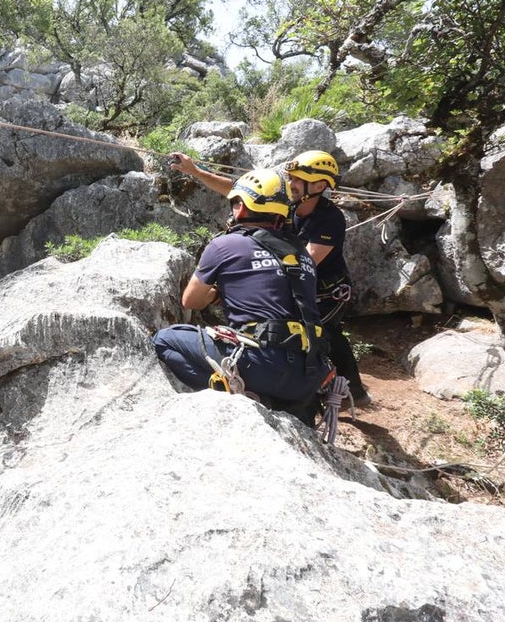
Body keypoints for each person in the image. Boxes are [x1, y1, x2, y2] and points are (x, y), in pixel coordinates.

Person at [169, 150, 371, 406]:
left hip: (325, 290)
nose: (291, 183)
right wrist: (196, 172)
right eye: (291, 178)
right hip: (294, 282)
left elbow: (302, 263)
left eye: (298, 179)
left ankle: (352, 388)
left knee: (323, 333)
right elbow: (242, 191)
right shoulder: (289, 201)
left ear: (319, 185)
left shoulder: (330, 219)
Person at [152, 168, 331, 424]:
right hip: (309, 372)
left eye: (235, 202)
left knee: (164, 340)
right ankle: (273, 402)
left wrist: (216, 293)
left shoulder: (225, 245)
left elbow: (190, 301)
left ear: (242, 207)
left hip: (260, 363)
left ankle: (241, 397)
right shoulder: (302, 253)